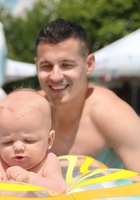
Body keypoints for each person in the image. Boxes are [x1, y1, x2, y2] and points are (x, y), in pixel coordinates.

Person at [35, 18, 140, 172]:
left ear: (89, 64)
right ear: (37, 65)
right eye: (46, 66)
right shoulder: (29, 110)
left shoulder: (113, 114)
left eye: (67, 65)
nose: (55, 76)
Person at [0, 88, 67, 194]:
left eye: (29, 140)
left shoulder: (48, 162)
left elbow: (59, 188)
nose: (18, 147)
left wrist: (30, 179)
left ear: (49, 140)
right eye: (8, 142)